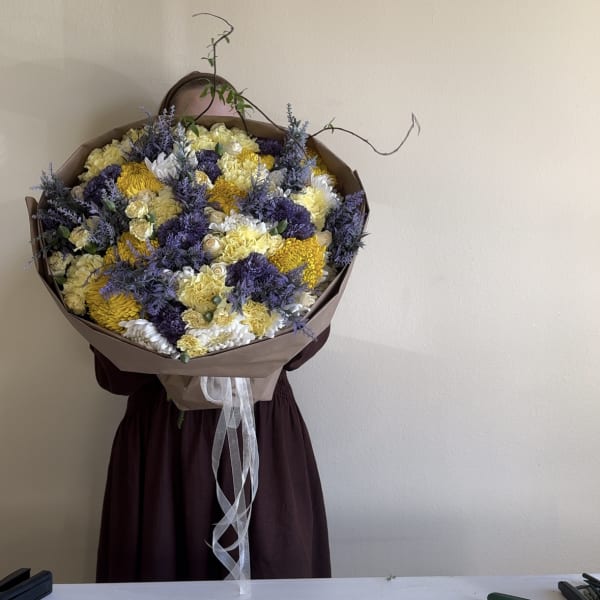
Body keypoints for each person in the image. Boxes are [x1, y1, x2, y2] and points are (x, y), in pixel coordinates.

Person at [93, 72, 332, 583]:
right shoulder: (125, 226)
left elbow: (306, 349)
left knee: (274, 576)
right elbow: (114, 376)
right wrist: (151, 320)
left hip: (261, 435)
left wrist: (268, 304)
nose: (209, 141)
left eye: (223, 128)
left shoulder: (287, 214)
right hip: (162, 444)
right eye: (192, 127)